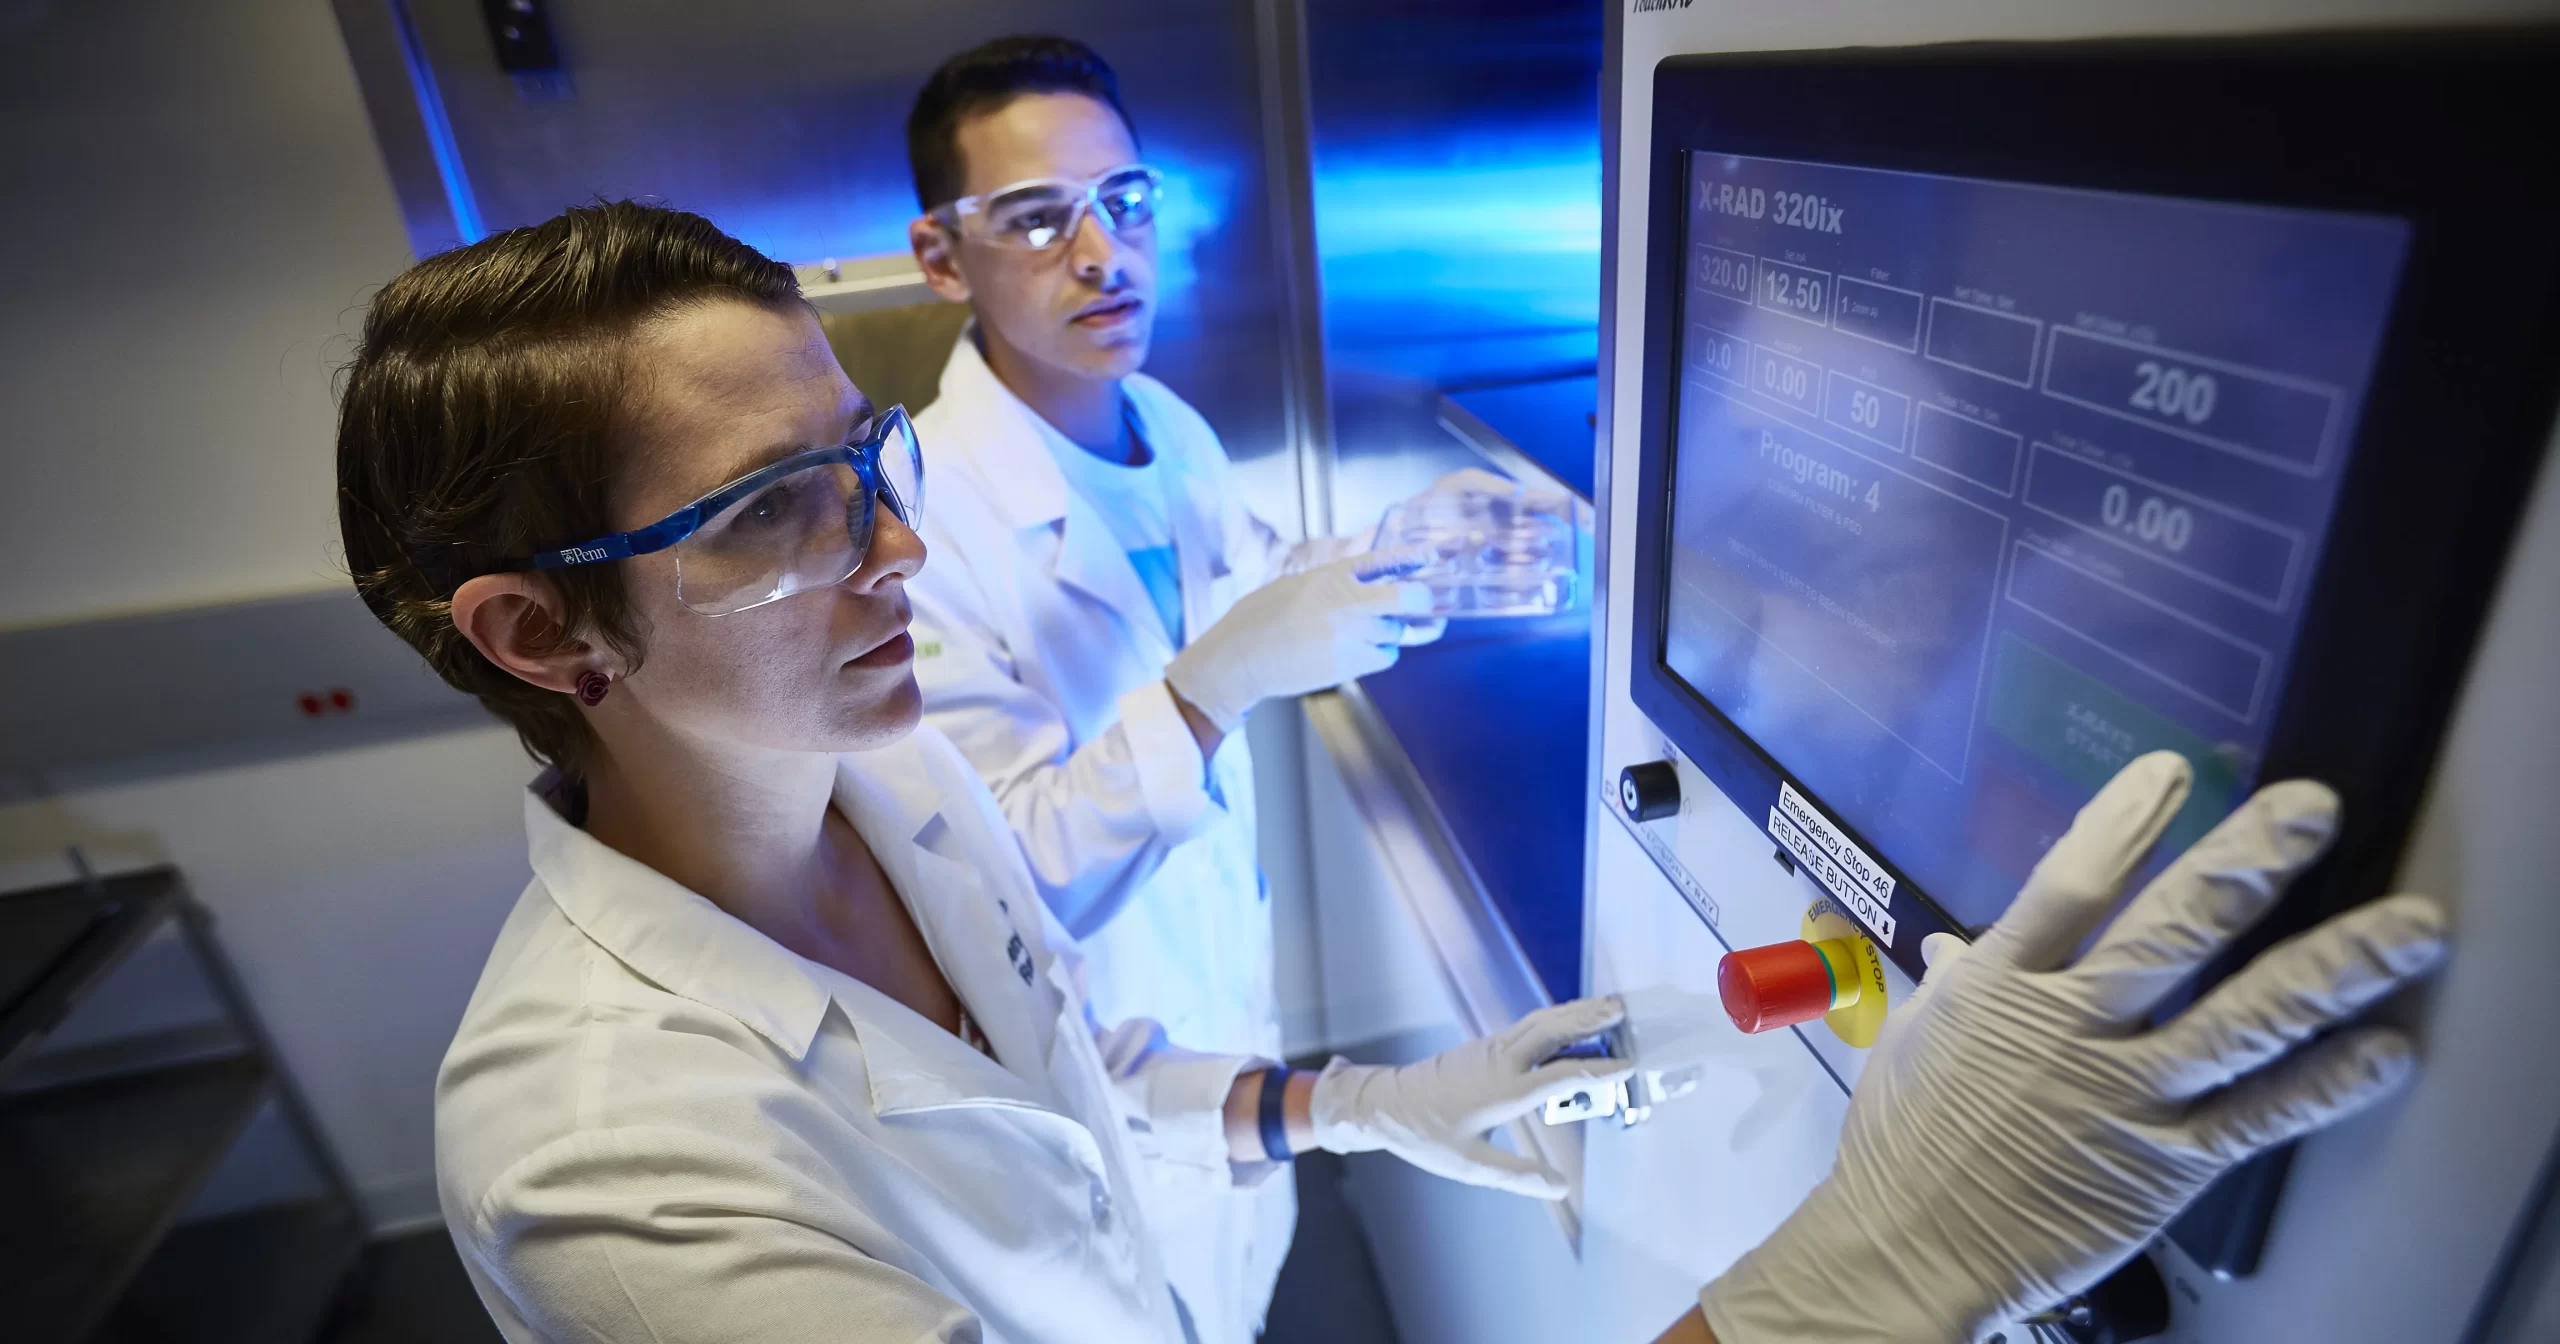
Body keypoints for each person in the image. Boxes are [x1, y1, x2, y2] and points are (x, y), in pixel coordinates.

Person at [349, 201, 2446, 1344]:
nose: (894, 547)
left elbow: (1053, 1076)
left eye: (870, 464)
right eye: (774, 512)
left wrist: (1354, 1103)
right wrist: (1870, 1283)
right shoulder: (621, 1175)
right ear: (539, 635)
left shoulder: (871, 783)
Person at [894, 43, 1452, 1332]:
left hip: (1224, 1050)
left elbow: (1256, 587)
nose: (1103, 253)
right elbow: (1014, 883)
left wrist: (1419, 542)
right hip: (1095, 1123)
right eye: (1038, 217)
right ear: (941, 256)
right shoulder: (920, 526)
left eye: (1127, 200)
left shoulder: (1161, 423)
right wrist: (1215, 685)